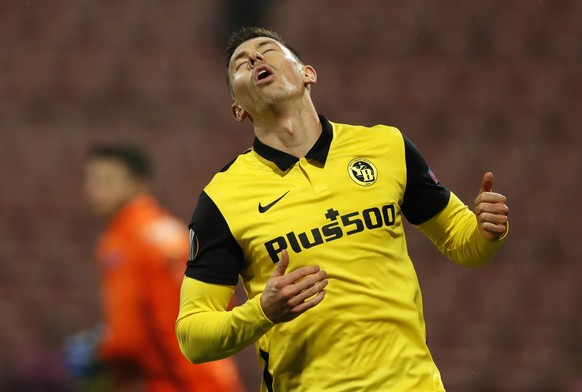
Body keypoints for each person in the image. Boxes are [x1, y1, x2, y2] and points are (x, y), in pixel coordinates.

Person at [176, 27, 509, 391]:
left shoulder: (386, 146)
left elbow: (465, 245)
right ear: (238, 110)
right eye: (240, 64)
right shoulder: (222, 198)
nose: (255, 58)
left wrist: (485, 232)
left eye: (267, 49)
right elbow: (193, 336)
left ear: (308, 73)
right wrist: (262, 312)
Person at [65, 144, 246, 392]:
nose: (94, 191)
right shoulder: (174, 232)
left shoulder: (121, 243)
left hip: (173, 382)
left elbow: (126, 341)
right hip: (216, 377)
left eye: (106, 181)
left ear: (137, 184)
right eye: (92, 181)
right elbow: (225, 305)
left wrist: (98, 353)